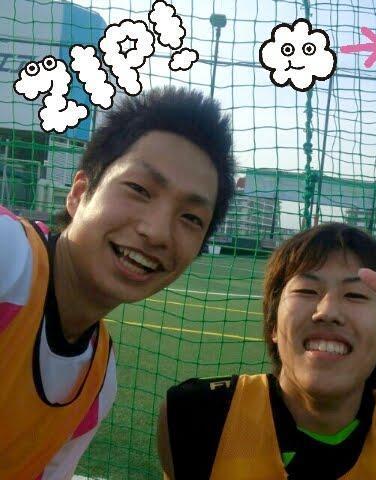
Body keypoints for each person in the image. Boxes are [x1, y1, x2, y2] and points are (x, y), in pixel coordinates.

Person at [0, 86, 235, 479]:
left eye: (191, 218)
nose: (157, 232)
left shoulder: (97, 381)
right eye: (139, 189)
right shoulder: (9, 256)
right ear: (79, 194)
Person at [158, 210, 376, 479]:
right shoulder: (197, 416)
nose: (327, 311)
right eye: (306, 291)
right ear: (272, 324)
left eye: (355, 295)